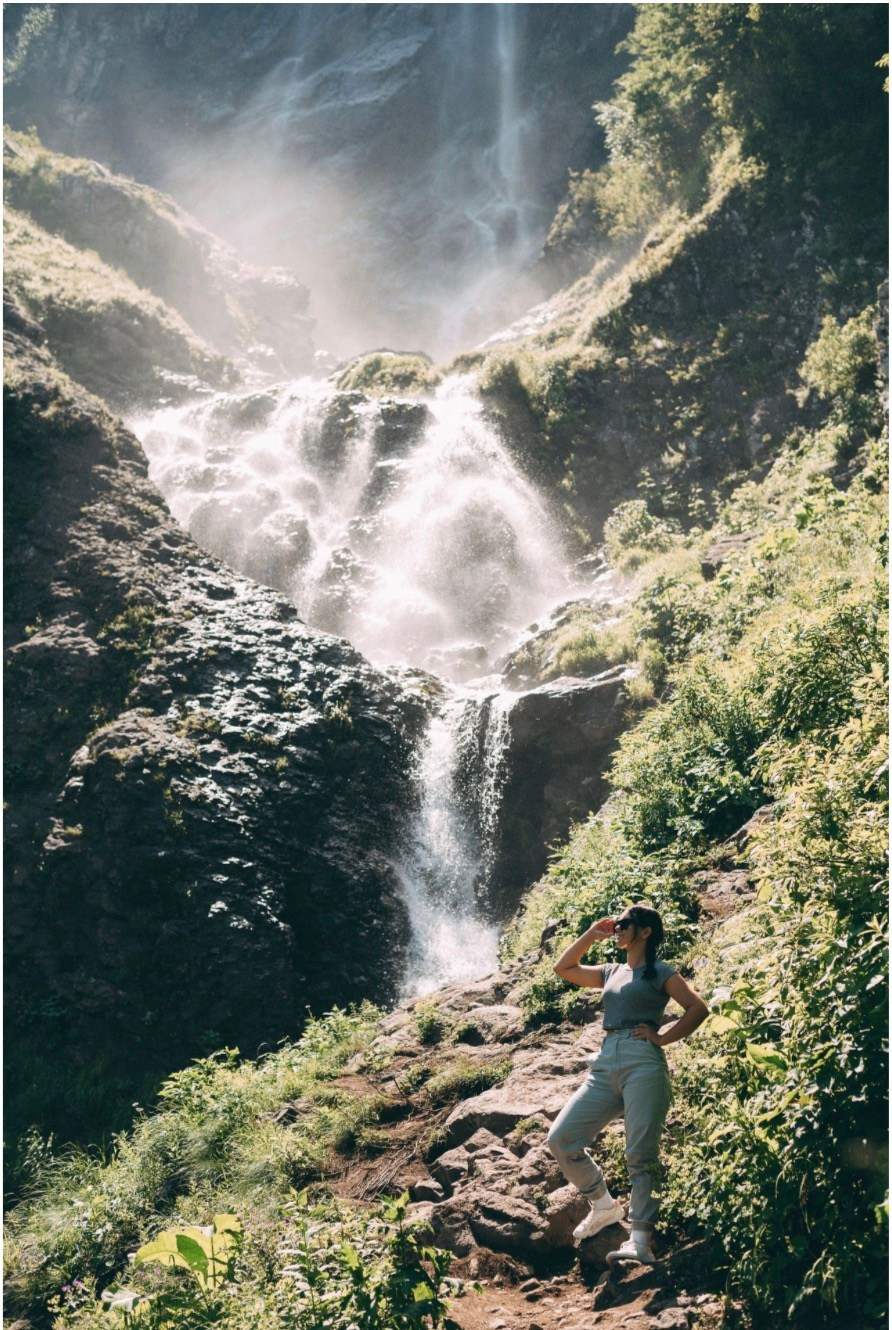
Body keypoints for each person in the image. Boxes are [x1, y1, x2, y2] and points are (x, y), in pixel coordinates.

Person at [546, 904, 708, 1264]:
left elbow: (697, 1008)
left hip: (642, 1062)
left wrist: (662, 1038)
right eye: (615, 924)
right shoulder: (612, 971)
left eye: (623, 924)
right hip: (605, 1064)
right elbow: (563, 969)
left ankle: (641, 1241)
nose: (616, 928)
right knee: (560, 1139)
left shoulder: (660, 972)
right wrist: (592, 932)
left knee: (639, 1154)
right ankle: (604, 1205)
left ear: (645, 931)